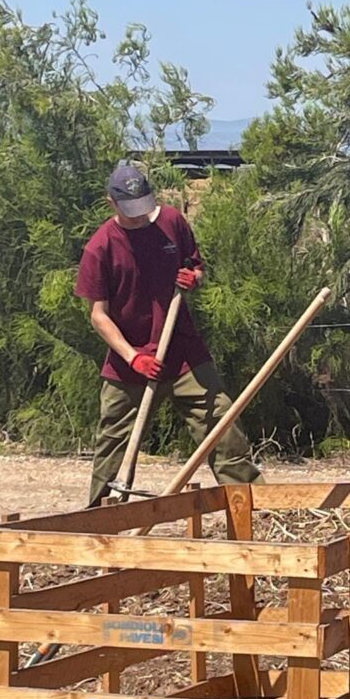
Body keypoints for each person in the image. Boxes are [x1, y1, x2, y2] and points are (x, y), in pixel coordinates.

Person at [76, 164, 262, 507]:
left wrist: (195, 277)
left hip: (184, 352)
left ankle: (257, 508)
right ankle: (100, 519)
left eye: (143, 205)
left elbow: (196, 265)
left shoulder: (171, 222)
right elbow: (98, 316)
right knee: (113, 442)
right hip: (130, 362)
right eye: (129, 209)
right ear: (111, 203)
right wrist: (134, 356)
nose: (139, 216)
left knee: (222, 427)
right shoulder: (100, 248)